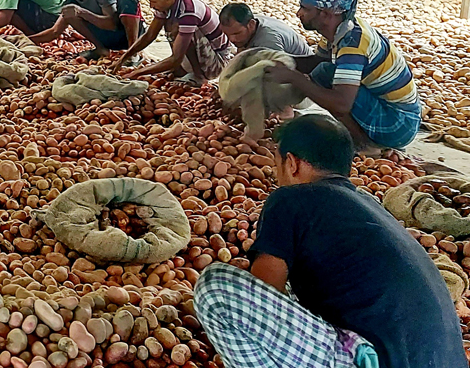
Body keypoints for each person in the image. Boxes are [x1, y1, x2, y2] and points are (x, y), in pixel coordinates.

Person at [194, 114, 464, 368]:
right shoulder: (370, 207)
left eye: (276, 164)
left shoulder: (290, 199)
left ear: (292, 163)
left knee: (216, 287)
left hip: (377, 360)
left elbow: (265, 294)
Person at [266, 0, 421, 152]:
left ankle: (363, 145)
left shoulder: (352, 44)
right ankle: (358, 137)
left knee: (325, 77)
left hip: (398, 124)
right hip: (390, 111)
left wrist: (293, 78)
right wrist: (273, 59)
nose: (298, 13)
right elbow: (317, 61)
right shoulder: (339, 29)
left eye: (305, 9)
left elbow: (342, 104)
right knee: (324, 71)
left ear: (325, 14)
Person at [114, 0, 235, 85]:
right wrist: (124, 57)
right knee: (172, 25)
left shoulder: (188, 11)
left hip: (216, 61)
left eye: (154, 2)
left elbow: (176, 58)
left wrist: (137, 73)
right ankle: (185, 69)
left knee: (178, 27)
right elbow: (150, 35)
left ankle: (199, 76)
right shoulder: (168, 5)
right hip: (201, 55)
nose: (151, 6)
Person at [219, 2, 313, 56]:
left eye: (237, 34)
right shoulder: (248, 22)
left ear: (251, 24)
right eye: (227, 34)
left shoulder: (268, 40)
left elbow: (276, 73)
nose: (231, 40)